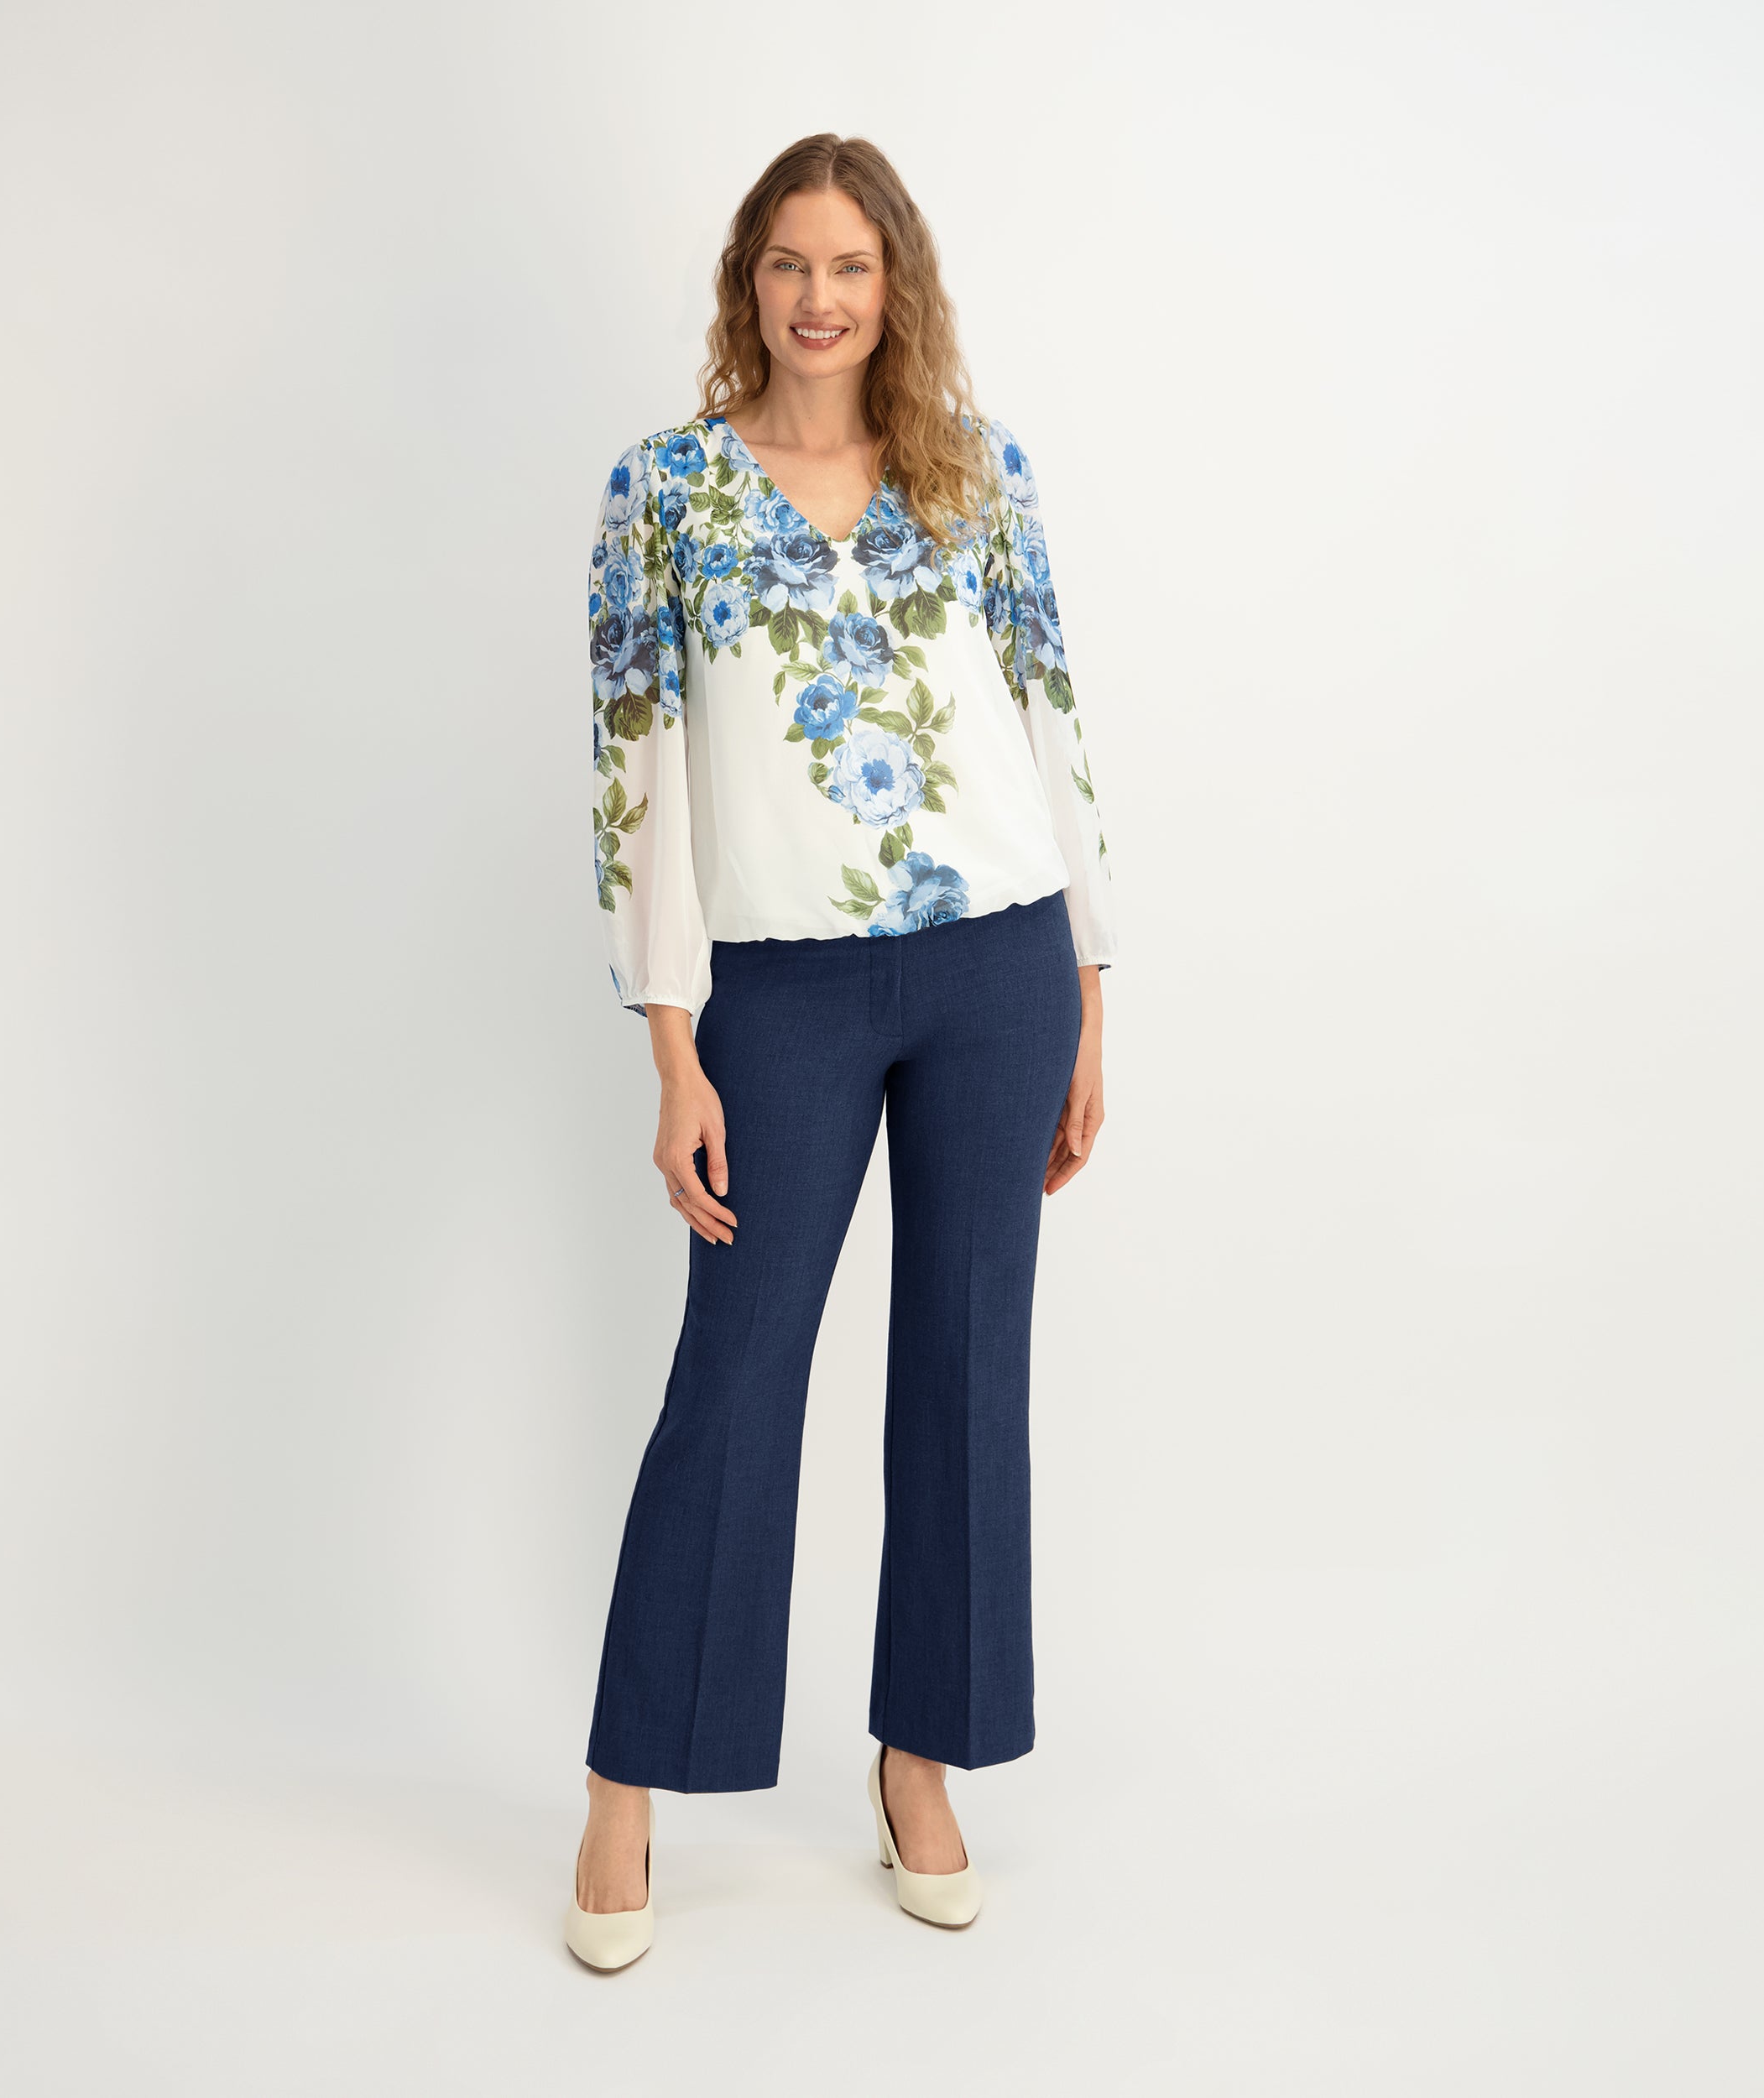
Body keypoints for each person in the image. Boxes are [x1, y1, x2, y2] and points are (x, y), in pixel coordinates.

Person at [566, 132, 1117, 1969]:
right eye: (791, 263)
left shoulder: (977, 473)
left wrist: (1090, 993)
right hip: (780, 991)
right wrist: (672, 1044)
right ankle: (628, 1781)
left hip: (998, 969)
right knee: (735, 1374)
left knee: (966, 1365)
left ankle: (918, 1759)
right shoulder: (665, 494)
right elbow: (636, 774)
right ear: (752, 279)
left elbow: (1050, 722)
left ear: (896, 287)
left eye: (852, 267)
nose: (820, 297)